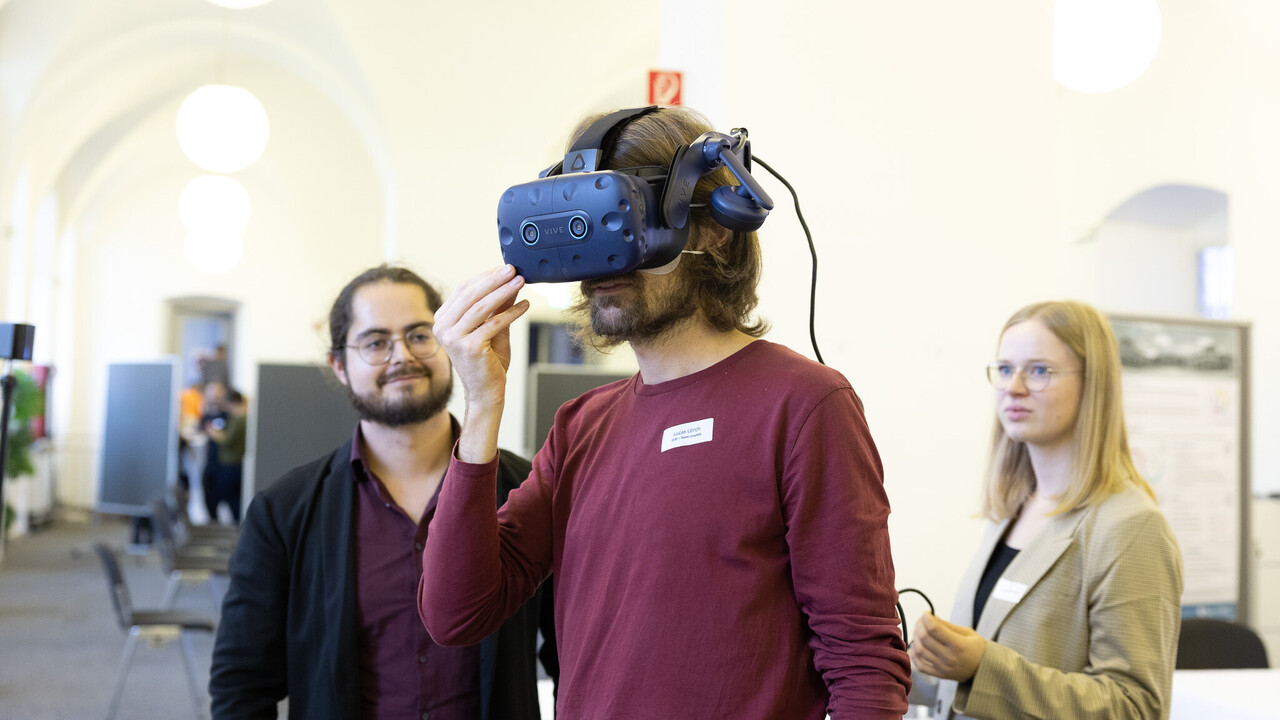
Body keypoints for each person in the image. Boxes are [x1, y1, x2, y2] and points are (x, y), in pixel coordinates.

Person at [421, 107, 911, 719]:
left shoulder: (804, 405)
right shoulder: (581, 427)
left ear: (715, 229)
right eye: (584, 231)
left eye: (621, 221)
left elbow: (864, 664)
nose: (602, 263)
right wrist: (481, 406)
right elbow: (456, 613)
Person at [210, 266, 556, 720]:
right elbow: (241, 686)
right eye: (375, 343)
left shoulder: (528, 491)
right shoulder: (283, 512)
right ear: (339, 365)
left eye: (419, 335)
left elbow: (573, 654)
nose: (402, 357)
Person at [909, 300, 1183, 720]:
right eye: (1004, 369)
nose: (1014, 387)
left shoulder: (1132, 526)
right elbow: (970, 681)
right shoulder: (1013, 510)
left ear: (1093, 383)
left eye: (1039, 371)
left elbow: (1136, 707)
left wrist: (983, 668)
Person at [206, 388, 248, 523]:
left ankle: (222, 523)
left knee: (224, 496)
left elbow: (227, 440)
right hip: (234, 464)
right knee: (233, 499)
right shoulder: (240, 418)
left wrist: (213, 433)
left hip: (231, 464)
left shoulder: (239, 419)